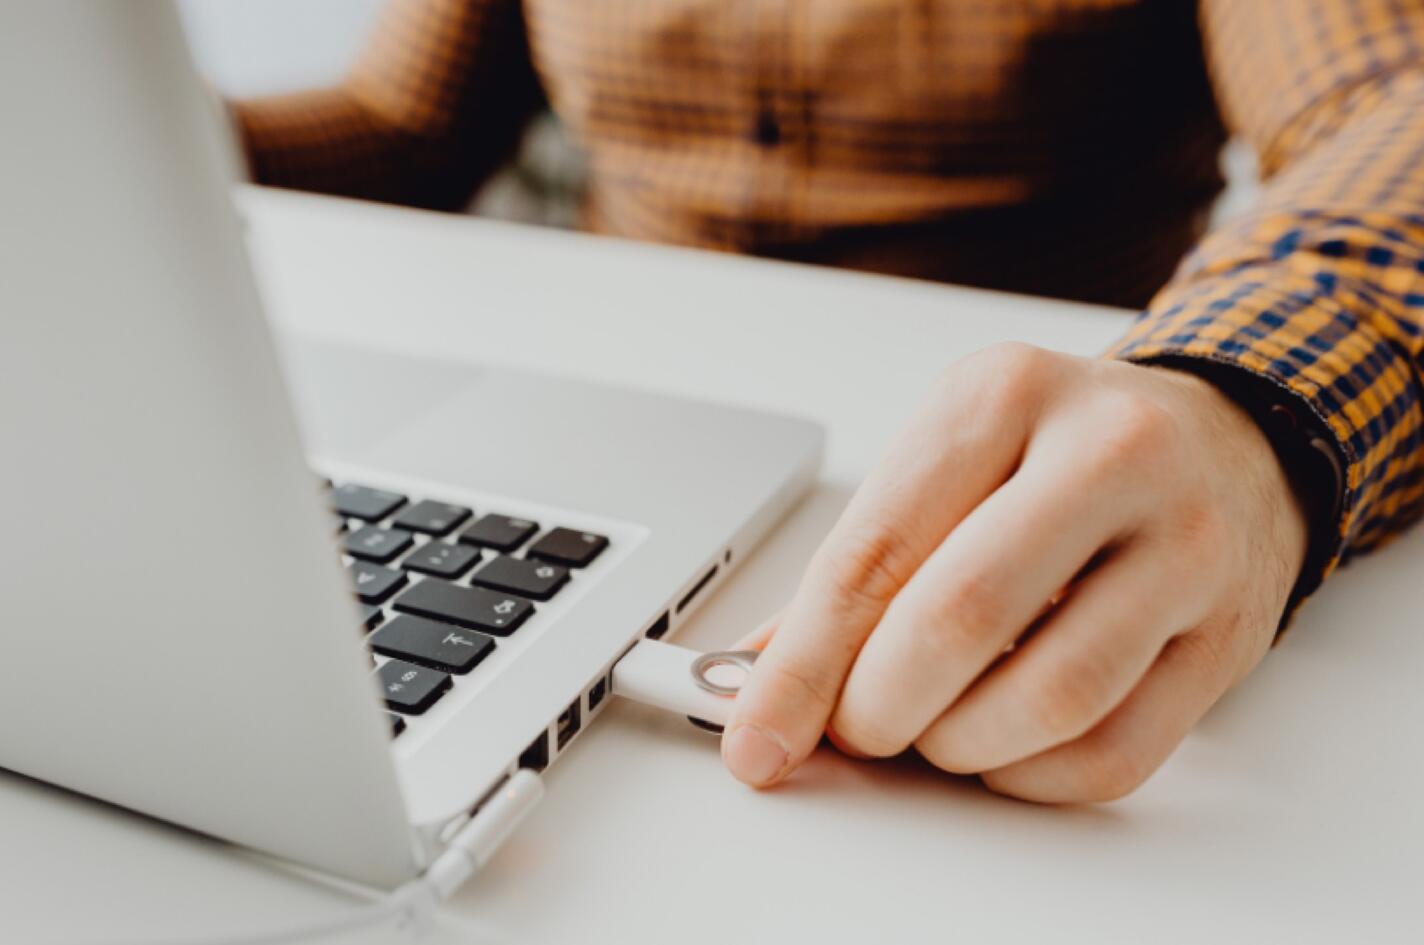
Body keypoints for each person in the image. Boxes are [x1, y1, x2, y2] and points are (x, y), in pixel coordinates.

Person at [227, 0, 1424, 802]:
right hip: (582, 444)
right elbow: (403, 125)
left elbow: (1392, 104)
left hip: (1014, 530)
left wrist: (1244, 399)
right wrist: (139, 134)